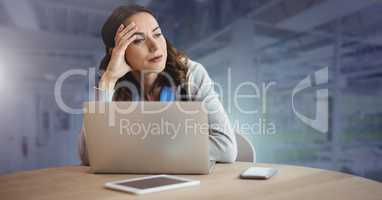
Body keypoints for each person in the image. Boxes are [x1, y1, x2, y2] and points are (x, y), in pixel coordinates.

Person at [78, 4, 237, 165]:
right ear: (117, 51)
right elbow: (88, 155)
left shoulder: (192, 73)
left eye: (158, 34)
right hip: (132, 183)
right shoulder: (109, 83)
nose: (155, 46)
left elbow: (226, 147)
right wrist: (108, 80)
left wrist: (140, 151)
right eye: (139, 40)